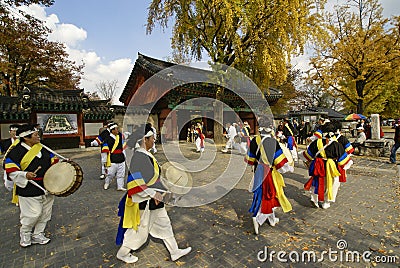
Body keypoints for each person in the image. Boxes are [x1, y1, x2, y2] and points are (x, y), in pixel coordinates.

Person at [115, 123, 191, 263]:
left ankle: (174, 252)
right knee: (139, 232)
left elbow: (153, 177)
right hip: (145, 201)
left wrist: (166, 188)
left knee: (165, 224)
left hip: (154, 200)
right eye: (152, 138)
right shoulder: (138, 157)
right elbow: (134, 182)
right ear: (145, 139)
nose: (154, 140)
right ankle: (123, 253)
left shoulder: (146, 155)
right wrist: (152, 193)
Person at [4, 124, 60, 247]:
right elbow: (10, 169)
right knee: (32, 213)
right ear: (26, 137)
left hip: (47, 185)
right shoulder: (16, 151)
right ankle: (25, 234)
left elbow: (54, 161)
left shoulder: (43, 148)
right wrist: (24, 175)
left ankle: (38, 234)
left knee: (46, 213)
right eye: (35, 135)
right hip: (29, 187)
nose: (38, 136)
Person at [245, 118, 293, 234]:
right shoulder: (273, 142)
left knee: (260, 193)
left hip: (258, 170)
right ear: (270, 128)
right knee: (270, 194)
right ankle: (258, 218)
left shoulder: (254, 140)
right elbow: (279, 162)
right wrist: (288, 168)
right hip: (269, 172)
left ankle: (271, 219)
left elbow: (250, 159)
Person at [303, 122, 352, 209]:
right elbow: (343, 161)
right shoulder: (337, 145)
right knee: (332, 183)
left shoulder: (316, 143)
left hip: (318, 165)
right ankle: (326, 202)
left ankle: (314, 199)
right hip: (331, 166)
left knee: (316, 181)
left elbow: (307, 155)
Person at [102, 123, 127, 190]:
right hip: (112, 158)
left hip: (121, 157)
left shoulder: (120, 136)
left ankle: (120, 186)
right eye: (116, 129)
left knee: (121, 174)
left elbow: (123, 148)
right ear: (112, 130)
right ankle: (107, 183)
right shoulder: (108, 139)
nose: (117, 130)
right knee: (110, 174)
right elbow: (105, 151)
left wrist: (125, 156)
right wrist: (104, 161)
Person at [1, 124, 19, 191]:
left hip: (19, 165)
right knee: (9, 184)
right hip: (9, 165)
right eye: (13, 131)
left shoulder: (22, 142)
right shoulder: (5, 142)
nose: (15, 133)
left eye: (16, 131)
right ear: (10, 132)